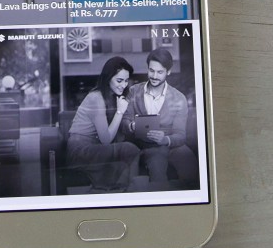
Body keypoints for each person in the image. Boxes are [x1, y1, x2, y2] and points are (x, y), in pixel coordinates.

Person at [122, 48, 198, 188]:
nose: (154, 76)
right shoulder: (134, 91)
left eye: (160, 72)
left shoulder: (179, 98)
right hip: (145, 145)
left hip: (171, 144)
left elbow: (181, 135)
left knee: (192, 169)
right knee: (157, 172)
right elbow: (124, 122)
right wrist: (131, 126)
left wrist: (165, 139)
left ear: (168, 72)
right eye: (151, 71)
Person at [67, 57, 140, 192]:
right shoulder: (96, 97)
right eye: (119, 80)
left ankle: (124, 191)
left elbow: (114, 135)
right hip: (80, 150)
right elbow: (106, 139)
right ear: (107, 78)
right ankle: (130, 192)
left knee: (129, 150)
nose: (123, 85)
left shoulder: (111, 97)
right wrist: (120, 111)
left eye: (126, 81)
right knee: (130, 150)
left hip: (94, 147)